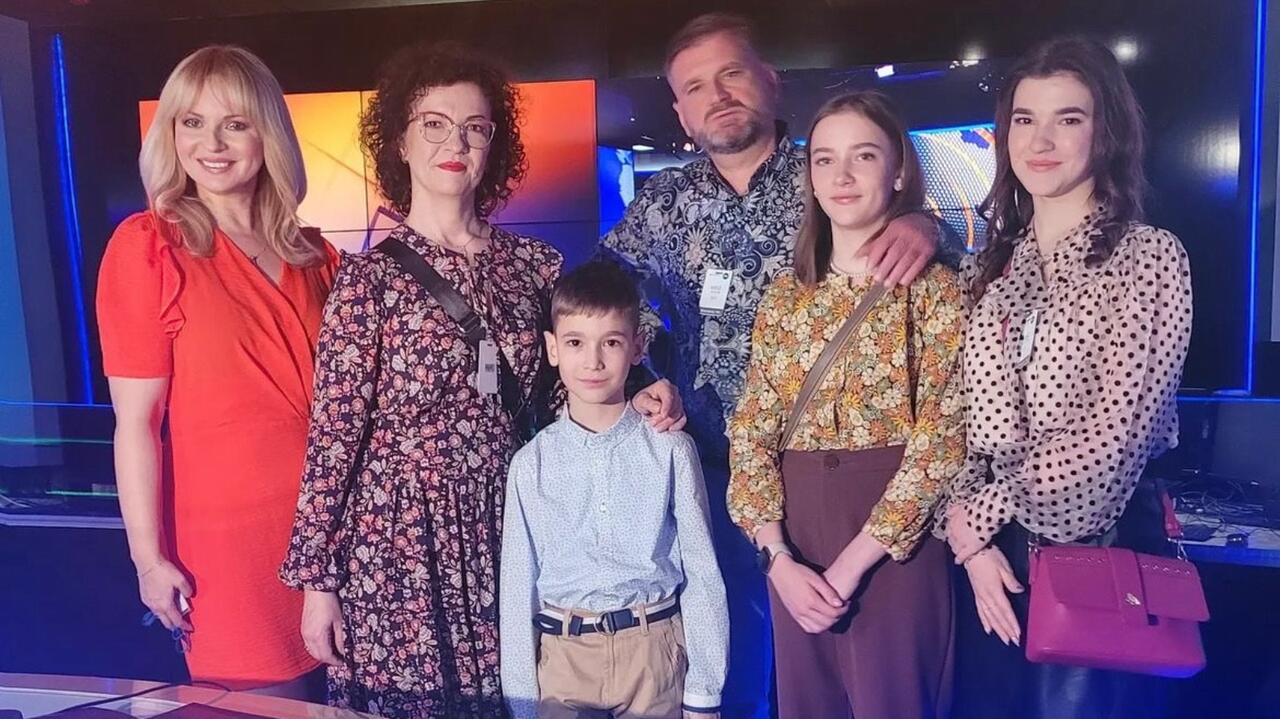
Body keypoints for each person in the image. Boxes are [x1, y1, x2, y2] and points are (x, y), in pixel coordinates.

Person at [278, 42, 683, 719]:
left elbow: (563, 388)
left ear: (495, 144)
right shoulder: (367, 279)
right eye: (434, 124)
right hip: (399, 539)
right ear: (400, 141)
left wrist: (638, 383)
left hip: (513, 517)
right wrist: (318, 582)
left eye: (475, 127)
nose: (455, 142)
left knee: (517, 696)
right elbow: (334, 434)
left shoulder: (534, 265)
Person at [596, 15, 947, 715]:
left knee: (848, 658)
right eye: (696, 87)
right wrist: (641, 376)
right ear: (679, 111)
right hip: (712, 461)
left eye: (731, 73)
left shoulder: (825, 170)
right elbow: (604, 292)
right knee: (730, 649)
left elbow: (936, 266)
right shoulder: (664, 202)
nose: (718, 95)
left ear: (770, 79)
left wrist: (924, 224)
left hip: (836, 469)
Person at [937, 36, 1194, 719]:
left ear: (1106, 131)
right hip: (990, 559)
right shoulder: (990, 268)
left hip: (1095, 548)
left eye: (1068, 118)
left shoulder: (1147, 258)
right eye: (1025, 119)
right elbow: (954, 418)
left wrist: (979, 515)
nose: (1041, 140)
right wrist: (970, 541)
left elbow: (1114, 438)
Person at [96, 45, 336, 696]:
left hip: (334, 539)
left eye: (235, 123)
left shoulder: (318, 257)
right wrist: (148, 559)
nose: (212, 144)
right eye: (192, 122)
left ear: (268, 134)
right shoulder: (149, 249)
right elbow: (136, 424)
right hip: (229, 554)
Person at [728, 91, 965, 719]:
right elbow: (752, 430)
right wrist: (777, 559)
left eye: (864, 156)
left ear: (898, 171)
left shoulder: (936, 290)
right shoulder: (785, 295)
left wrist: (854, 563)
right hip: (796, 530)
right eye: (824, 159)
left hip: (895, 537)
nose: (842, 175)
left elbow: (943, 438)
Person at [499, 261, 729, 719]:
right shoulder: (530, 464)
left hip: (653, 652)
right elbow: (517, 587)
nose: (593, 361)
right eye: (575, 343)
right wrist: (521, 704)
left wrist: (705, 693)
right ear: (552, 348)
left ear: (637, 346)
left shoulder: (670, 449)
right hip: (564, 660)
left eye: (611, 342)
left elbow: (702, 571)